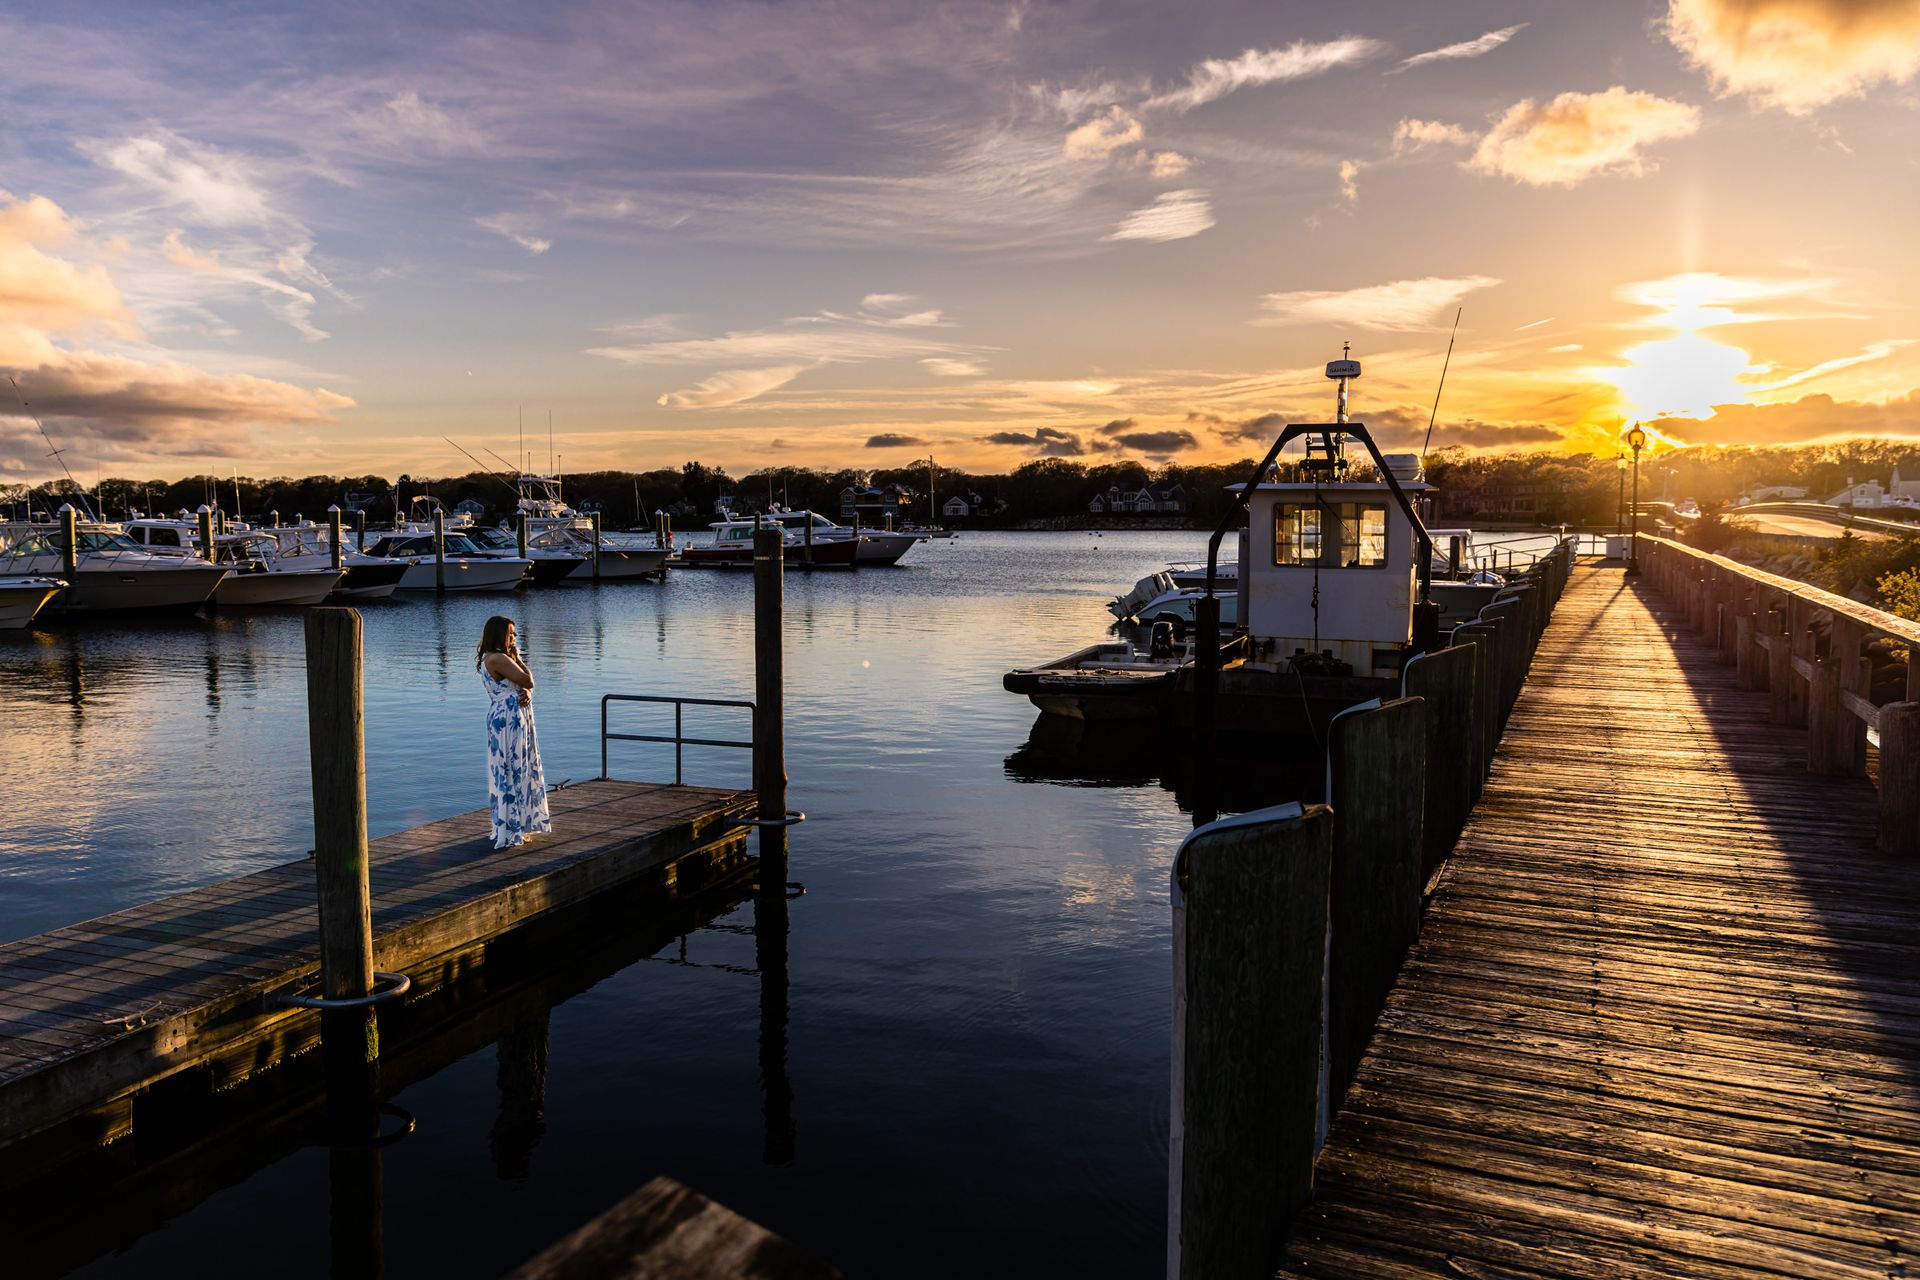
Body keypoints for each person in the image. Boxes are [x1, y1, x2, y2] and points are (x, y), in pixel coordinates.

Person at [477, 615, 551, 849]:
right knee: (512, 770)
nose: (514, 637)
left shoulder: (491, 656)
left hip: (505, 715)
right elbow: (527, 680)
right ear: (500, 634)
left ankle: (514, 825)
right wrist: (519, 659)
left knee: (513, 768)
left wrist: (525, 693)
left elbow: (518, 687)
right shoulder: (498, 658)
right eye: (511, 633)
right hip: (509, 720)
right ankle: (510, 829)